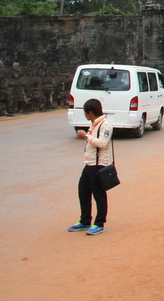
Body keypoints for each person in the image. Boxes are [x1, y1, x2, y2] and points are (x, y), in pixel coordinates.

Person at [68, 98, 113, 236]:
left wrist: (86, 136)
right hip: (89, 164)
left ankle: (99, 223)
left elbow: (103, 143)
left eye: (86, 113)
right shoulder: (94, 124)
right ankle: (85, 220)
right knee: (83, 192)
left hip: (98, 165)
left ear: (90, 112)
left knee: (99, 195)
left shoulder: (105, 125)